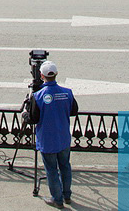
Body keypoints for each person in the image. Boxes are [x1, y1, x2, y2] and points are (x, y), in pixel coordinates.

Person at [26, 61, 78, 208]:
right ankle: (67, 195)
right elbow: (74, 111)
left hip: (47, 140)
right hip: (63, 138)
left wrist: (25, 115)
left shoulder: (38, 95)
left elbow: (33, 119)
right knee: (65, 167)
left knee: (51, 170)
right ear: (56, 75)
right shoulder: (67, 93)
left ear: (41, 75)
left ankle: (57, 199)